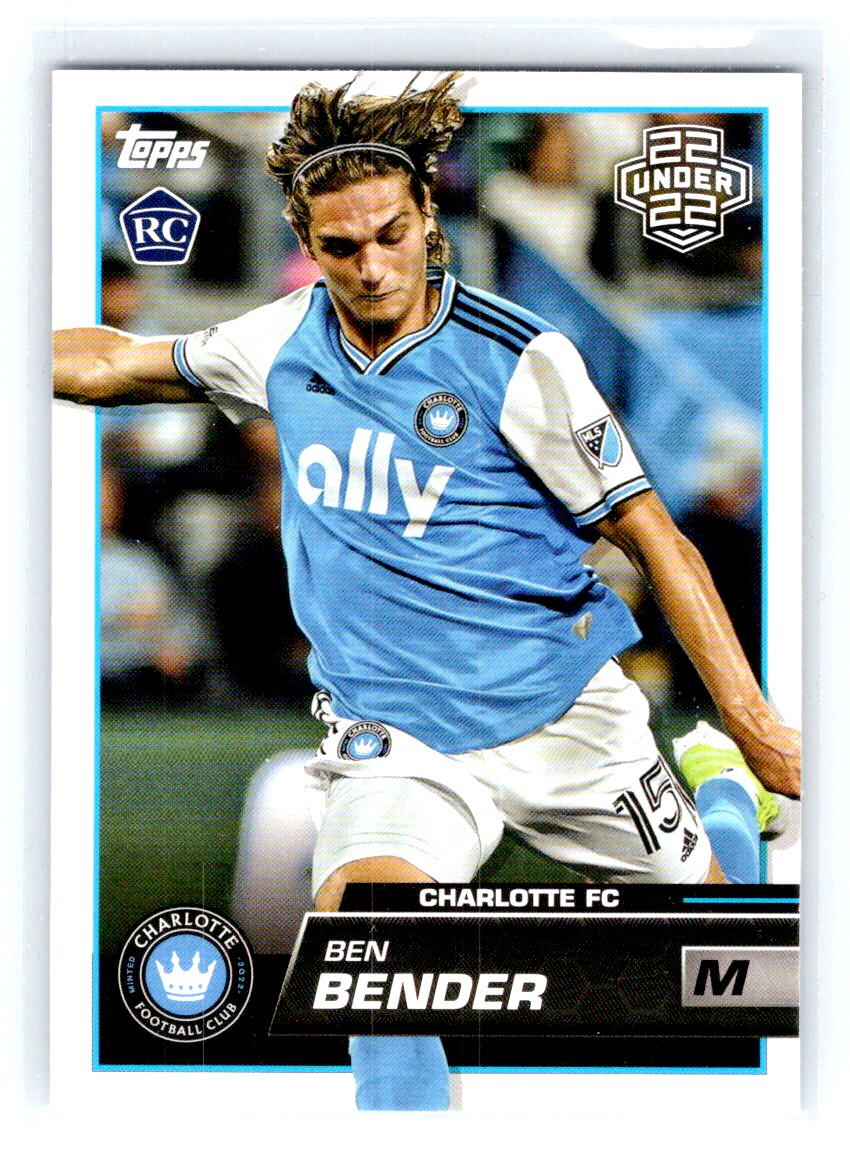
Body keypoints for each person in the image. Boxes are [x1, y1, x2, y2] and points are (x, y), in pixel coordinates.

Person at [53, 73, 800, 1110]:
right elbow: (112, 364)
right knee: (375, 971)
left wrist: (752, 720)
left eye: (390, 235)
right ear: (307, 242)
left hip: (562, 716)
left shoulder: (521, 358)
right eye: (342, 246)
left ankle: (720, 801)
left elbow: (654, 536)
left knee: (729, 983)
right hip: (396, 735)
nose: (371, 266)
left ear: (427, 219)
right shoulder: (278, 340)